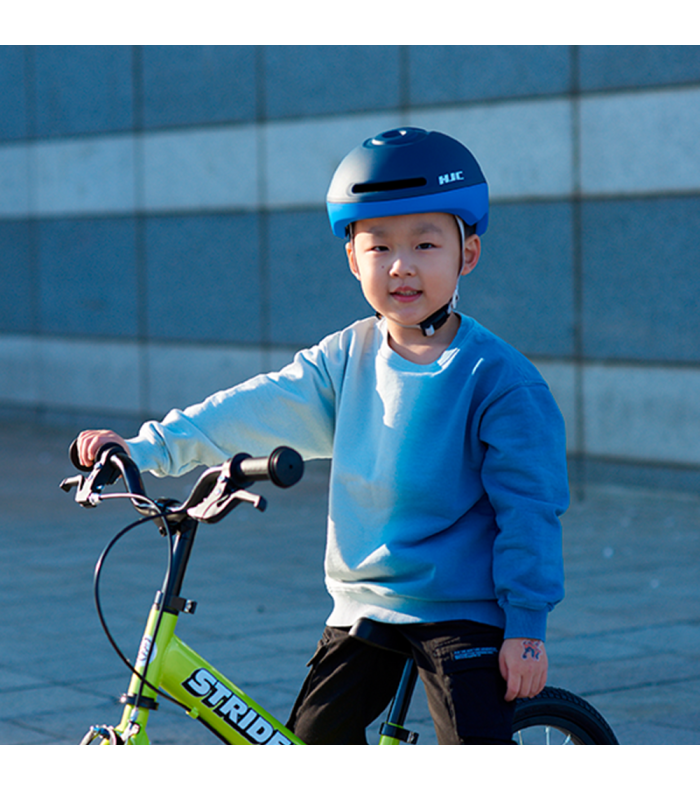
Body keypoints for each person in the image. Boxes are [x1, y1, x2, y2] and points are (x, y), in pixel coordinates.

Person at [76, 126, 569, 744]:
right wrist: (143, 449)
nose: (401, 265)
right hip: (364, 603)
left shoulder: (498, 380)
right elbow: (251, 408)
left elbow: (530, 508)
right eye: (379, 246)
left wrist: (526, 626)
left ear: (467, 254)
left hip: (459, 609)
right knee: (308, 744)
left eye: (424, 243)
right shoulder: (346, 358)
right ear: (352, 258)